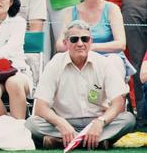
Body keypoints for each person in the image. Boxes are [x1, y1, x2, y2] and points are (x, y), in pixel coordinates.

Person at [25, 20, 135, 149]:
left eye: (85, 39)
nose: (80, 43)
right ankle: (95, 142)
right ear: (65, 43)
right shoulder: (55, 64)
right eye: (74, 39)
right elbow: (40, 107)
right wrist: (61, 123)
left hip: (97, 122)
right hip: (64, 122)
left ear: (91, 41)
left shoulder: (103, 63)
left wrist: (100, 122)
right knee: (31, 124)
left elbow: (119, 102)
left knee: (128, 119)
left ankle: (64, 142)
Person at [56, 0, 134, 79]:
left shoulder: (112, 9)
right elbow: (59, 45)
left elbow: (121, 44)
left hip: (108, 58)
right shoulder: (70, 12)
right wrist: (81, 49)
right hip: (79, 59)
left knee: (113, 62)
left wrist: (90, 47)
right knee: (57, 61)